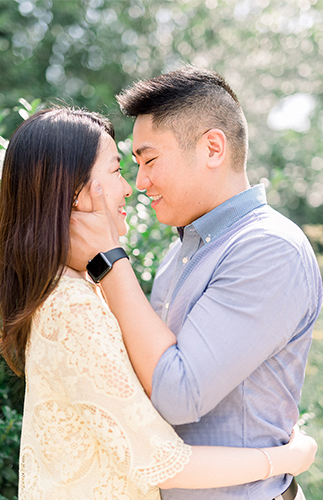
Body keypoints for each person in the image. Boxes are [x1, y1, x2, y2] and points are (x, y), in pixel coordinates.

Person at [0, 108, 316, 500]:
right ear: (76, 191)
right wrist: (286, 458)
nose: (132, 186)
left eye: (148, 161)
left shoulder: (264, 247)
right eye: (118, 170)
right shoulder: (71, 305)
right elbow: (163, 458)